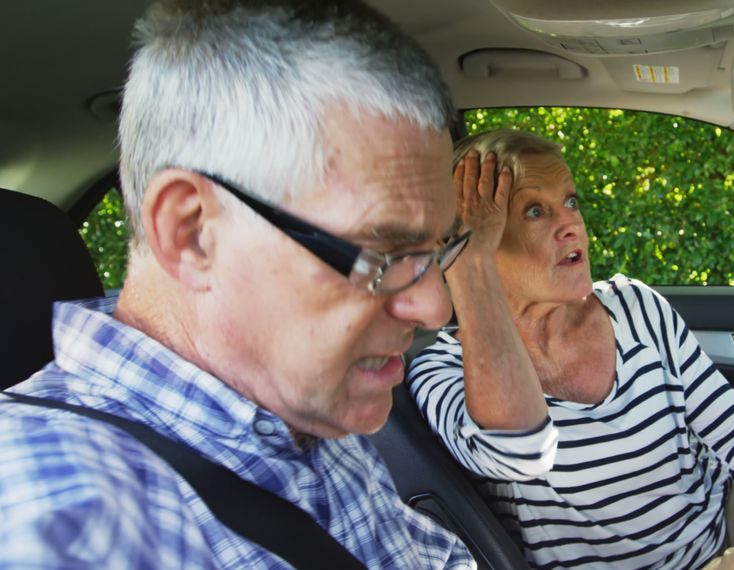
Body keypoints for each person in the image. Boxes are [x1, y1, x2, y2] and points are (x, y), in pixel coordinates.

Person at [0, 0, 475, 567]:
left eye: (437, 248)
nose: (433, 305)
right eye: (382, 253)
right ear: (192, 233)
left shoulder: (305, 412)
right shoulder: (55, 512)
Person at [408, 128, 734, 570]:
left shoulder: (632, 305)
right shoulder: (443, 370)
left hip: (722, 520)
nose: (570, 225)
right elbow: (512, 447)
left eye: (572, 201)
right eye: (535, 210)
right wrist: (469, 265)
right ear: (472, 240)